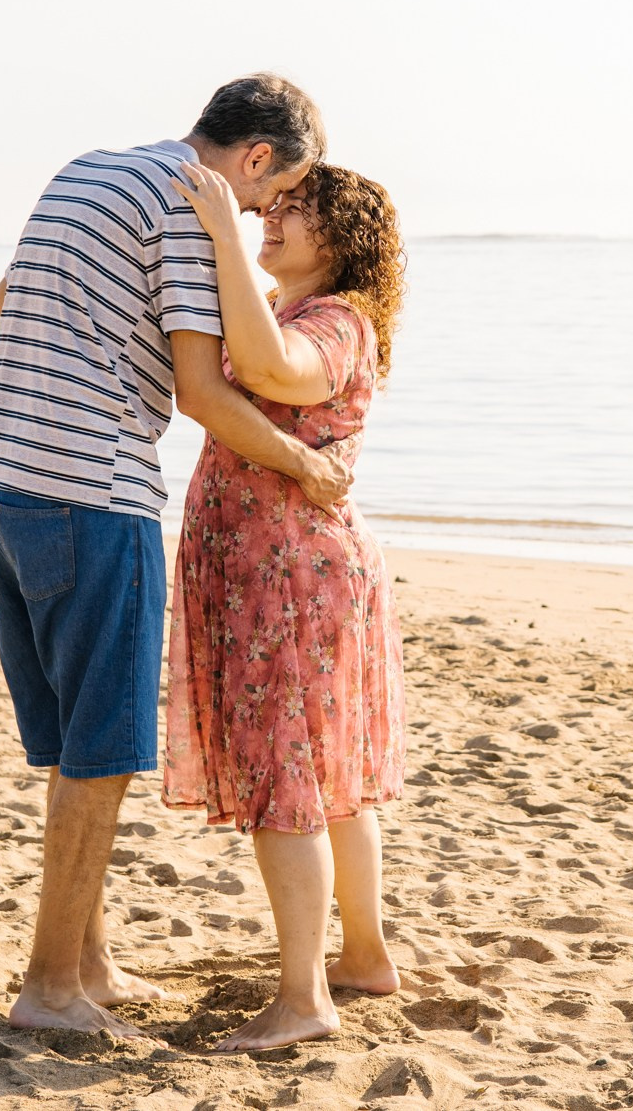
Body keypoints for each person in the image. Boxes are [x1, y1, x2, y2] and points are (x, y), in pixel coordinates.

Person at [0, 74, 354, 1037]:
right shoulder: (192, 206)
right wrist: (308, 462)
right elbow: (202, 394)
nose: (263, 216)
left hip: (1, 486)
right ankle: (52, 987)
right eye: (274, 191)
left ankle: (89, 965)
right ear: (256, 157)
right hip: (92, 496)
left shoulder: (85, 174)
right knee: (100, 756)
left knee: (66, 747)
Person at [162, 159, 408, 1051]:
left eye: (292, 212)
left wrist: (225, 232)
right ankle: (365, 956)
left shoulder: (336, 320)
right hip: (281, 569)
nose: (271, 219)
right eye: (273, 208)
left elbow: (273, 370)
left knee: (289, 781)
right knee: (327, 778)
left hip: (293, 577)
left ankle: (304, 998)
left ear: (339, 241)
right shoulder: (296, 311)